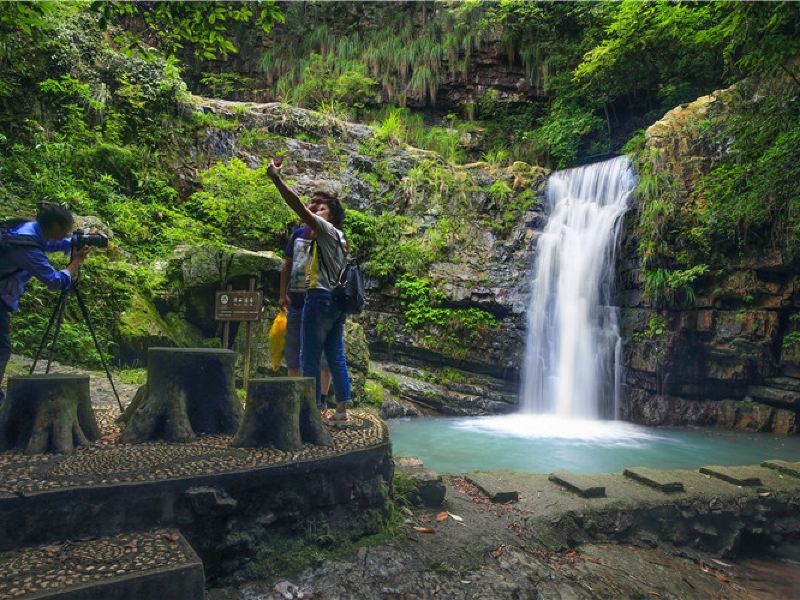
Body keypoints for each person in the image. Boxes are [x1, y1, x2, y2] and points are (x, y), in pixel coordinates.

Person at [267, 159, 351, 421]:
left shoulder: (325, 230)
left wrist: (277, 180)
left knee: (310, 356)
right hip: (337, 303)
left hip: (319, 299)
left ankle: (312, 410)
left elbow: (298, 207)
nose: (314, 210)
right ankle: (341, 411)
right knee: (336, 355)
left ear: (332, 215)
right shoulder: (341, 238)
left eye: (321, 208)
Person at [0, 204, 90, 403]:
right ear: (55, 227)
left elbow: (49, 244)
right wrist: (74, 264)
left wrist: (74, 242)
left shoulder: (28, 230)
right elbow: (55, 281)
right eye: (66, 228)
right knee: (2, 348)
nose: (68, 232)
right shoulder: (25, 245)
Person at [280, 210, 333, 406]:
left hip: (321, 305)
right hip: (297, 300)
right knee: (293, 352)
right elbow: (287, 265)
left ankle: (321, 401)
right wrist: (282, 294)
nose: (316, 214)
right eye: (314, 210)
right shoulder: (297, 235)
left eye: (322, 212)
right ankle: (296, 400)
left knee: (322, 356)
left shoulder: (332, 237)